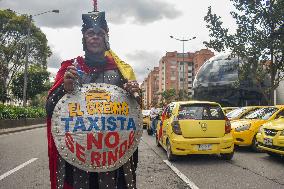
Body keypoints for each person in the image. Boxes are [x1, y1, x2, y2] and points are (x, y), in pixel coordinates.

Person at [46, 10, 141, 189]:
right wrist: (64, 90)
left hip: (114, 161)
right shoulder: (70, 69)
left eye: (100, 33)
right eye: (91, 33)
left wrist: (134, 93)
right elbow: (50, 108)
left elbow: (134, 115)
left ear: (106, 38)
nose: (95, 37)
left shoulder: (122, 72)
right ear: (84, 38)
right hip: (78, 163)